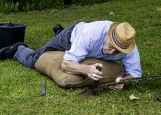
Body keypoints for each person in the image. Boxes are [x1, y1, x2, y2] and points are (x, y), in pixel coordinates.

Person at [0, 20, 142, 86]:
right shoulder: (90, 34)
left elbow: (135, 73)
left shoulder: (128, 45)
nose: (111, 52)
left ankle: (58, 31)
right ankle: (17, 49)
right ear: (106, 35)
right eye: (110, 46)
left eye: (117, 51)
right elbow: (66, 63)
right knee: (33, 60)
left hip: (83, 46)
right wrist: (86, 69)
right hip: (69, 38)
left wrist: (124, 81)